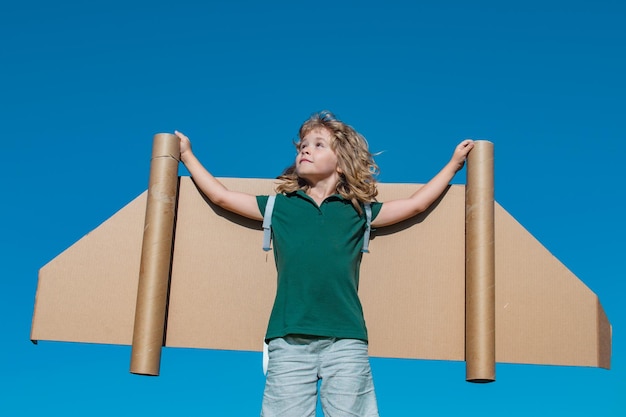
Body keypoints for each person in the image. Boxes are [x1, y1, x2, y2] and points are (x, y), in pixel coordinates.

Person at [175, 111, 474, 417]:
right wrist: (187, 155)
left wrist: (453, 165)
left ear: (342, 162)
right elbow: (221, 197)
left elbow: (416, 204)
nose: (305, 149)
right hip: (288, 339)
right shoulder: (279, 206)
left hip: (346, 340)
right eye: (302, 145)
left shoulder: (360, 212)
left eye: (318, 145)